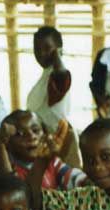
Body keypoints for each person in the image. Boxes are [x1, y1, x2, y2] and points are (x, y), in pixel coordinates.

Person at [27, 26, 81, 168]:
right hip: (45, 139)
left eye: (47, 48)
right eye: (36, 49)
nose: (41, 53)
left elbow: (62, 75)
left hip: (60, 139)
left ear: (58, 50)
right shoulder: (46, 75)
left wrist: (57, 55)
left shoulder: (58, 75)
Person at [0, 110, 86, 190]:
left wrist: (87, 181)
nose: (31, 137)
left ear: (45, 134)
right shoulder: (10, 168)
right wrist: (0, 145)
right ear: (7, 142)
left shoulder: (53, 163)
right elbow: (13, 190)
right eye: (20, 134)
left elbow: (74, 178)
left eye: (35, 130)